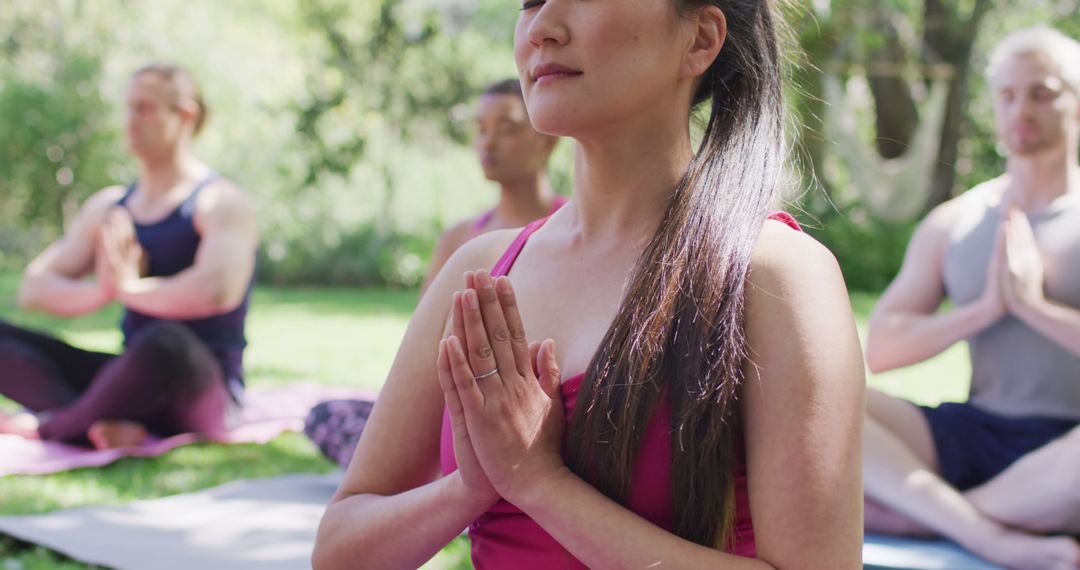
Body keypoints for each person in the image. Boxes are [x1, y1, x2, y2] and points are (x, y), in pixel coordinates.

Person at [313, 0, 864, 568]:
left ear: (699, 38)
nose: (542, 28)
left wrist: (540, 484)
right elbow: (340, 549)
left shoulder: (775, 276)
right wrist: (469, 490)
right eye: (529, 2)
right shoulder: (479, 271)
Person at [862, 26, 1080, 569]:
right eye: (1007, 95)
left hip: (1067, 445)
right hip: (973, 431)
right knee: (828, 397)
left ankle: (920, 514)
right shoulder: (953, 223)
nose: (1021, 108)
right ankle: (991, 533)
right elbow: (882, 349)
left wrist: (1036, 308)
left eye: (1043, 91)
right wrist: (984, 311)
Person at [305, 79, 565, 467]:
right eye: (480, 129)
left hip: (538, 415)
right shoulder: (459, 238)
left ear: (548, 140)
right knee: (326, 415)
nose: (487, 143)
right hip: (453, 407)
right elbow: (425, 349)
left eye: (506, 129)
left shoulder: (570, 228)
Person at [0, 63, 258, 449]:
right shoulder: (110, 206)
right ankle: (102, 421)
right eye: (128, 108)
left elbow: (218, 290)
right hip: (130, 381)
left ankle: (54, 427)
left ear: (185, 115)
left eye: (145, 108)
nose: (131, 120)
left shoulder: (220, 201)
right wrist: (106, 290)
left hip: (203, 391)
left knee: (164, 340)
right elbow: (34, 289)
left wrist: (130, 288)